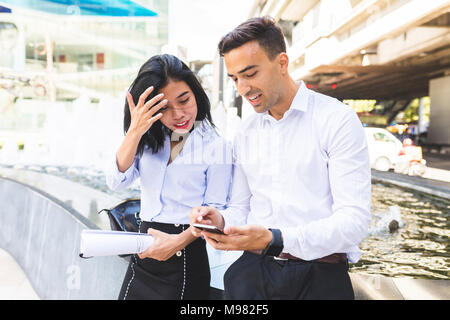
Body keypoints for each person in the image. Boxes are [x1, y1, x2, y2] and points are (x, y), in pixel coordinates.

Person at [190, 17, 371, 300]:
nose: (243, 88)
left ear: (283, 62)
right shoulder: (245, 132)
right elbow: (241, 207)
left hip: (320, 278)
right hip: (253, 274)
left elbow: (355, 222)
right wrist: (221, 221)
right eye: (235, 78)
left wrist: (277, 238)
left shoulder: (337, 120)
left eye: (250, 74)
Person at [106, 54, 232, 300]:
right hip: (143, 254)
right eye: (164, 107)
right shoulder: (149, 138)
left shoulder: (217, 146)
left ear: (196, 92)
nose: (178, 114)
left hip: (185, 253)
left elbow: (217, 210)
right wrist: (135, 130)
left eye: (184, 100)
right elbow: (116, 181)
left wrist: (176, 243)